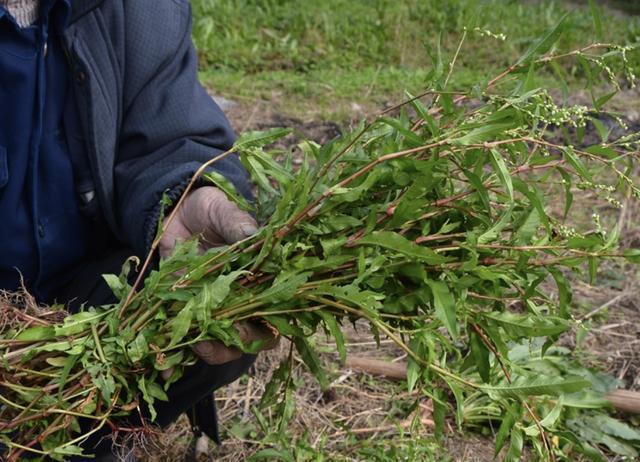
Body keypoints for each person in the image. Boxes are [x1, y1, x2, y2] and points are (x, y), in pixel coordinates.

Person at [0, 0, 276, 458]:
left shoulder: (140, 10)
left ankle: (88, 439)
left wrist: (186, 195)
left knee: (220, 293)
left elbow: (169, 137)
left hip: (80, 306)